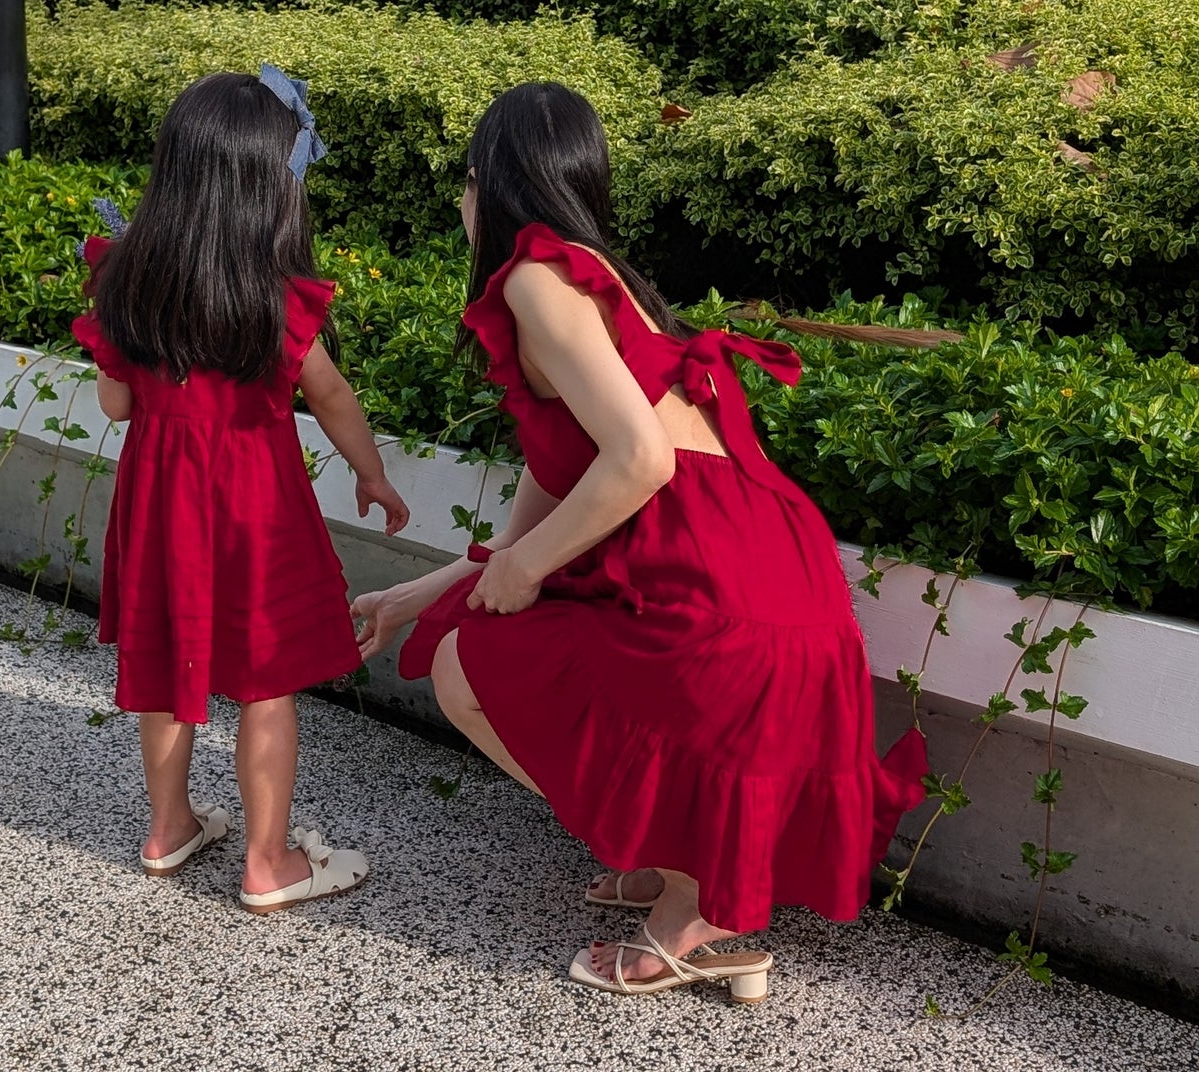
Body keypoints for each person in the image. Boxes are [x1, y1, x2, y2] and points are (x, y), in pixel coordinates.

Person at [352, 82, 926, 998]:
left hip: (715, 593)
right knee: (468, 633)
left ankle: (702, 912)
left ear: (489, 181)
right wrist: (405, 596)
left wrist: (526, 570)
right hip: (762, 577)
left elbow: (639, 458)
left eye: (465, 180)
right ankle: (681, 868)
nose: (461, 203)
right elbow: (527, 534)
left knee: (467, 667)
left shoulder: (538, 277)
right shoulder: (597, 280)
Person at [74, 68, 409, 914]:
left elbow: (116, 405)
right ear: (270, 186)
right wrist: (370, 473)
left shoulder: (125, 279)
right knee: (265, 684)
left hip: (159, 507)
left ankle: (167, 828)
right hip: (257, 513)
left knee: (160, 665)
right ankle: (267, 863)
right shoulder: (275, 297)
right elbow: (329, 396)